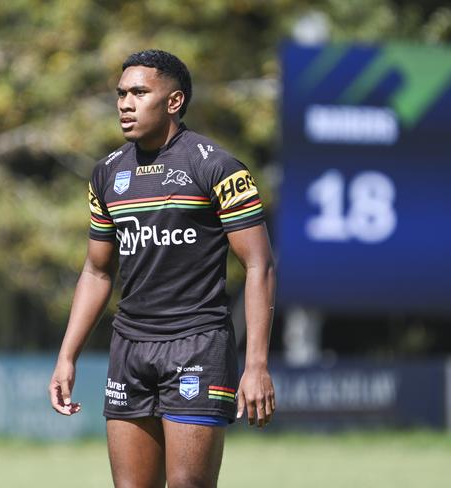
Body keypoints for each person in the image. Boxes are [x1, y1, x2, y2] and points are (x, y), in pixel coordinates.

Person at [49, 49, 276, 488]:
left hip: (197, 345)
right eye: (120, 94)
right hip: (130, 346)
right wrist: (66, 356)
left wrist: (257, 364)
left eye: (139, 92)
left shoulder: (217, 167)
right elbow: (97, 272)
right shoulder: (106, 174)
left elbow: (260, 264)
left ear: (173, 101)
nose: (125, 103)